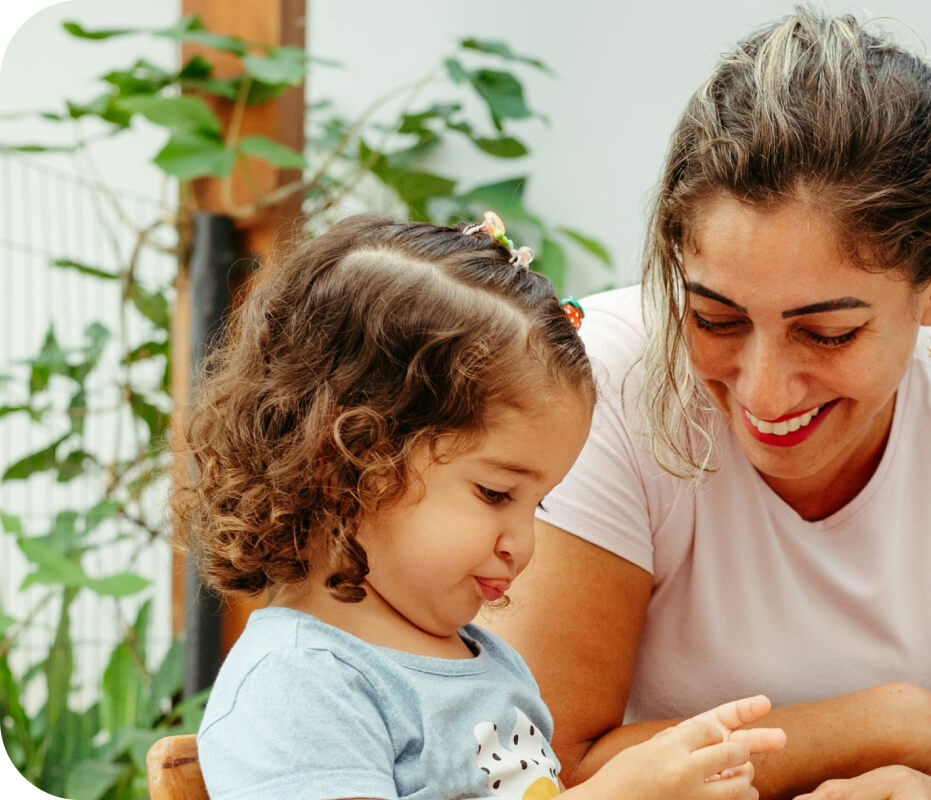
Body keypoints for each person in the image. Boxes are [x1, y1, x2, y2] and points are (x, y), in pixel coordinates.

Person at [481, 8, 931, 800]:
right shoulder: (599, 386)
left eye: (827, 334)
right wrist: (885, 724)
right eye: (715, 318)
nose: (762, 390)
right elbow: (545, 770)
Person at [171, 214, 786, 800]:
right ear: (348, 463)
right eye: (496, 494)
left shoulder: (486, 662)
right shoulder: (299, 684)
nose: (521, 543)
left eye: (538, 505)